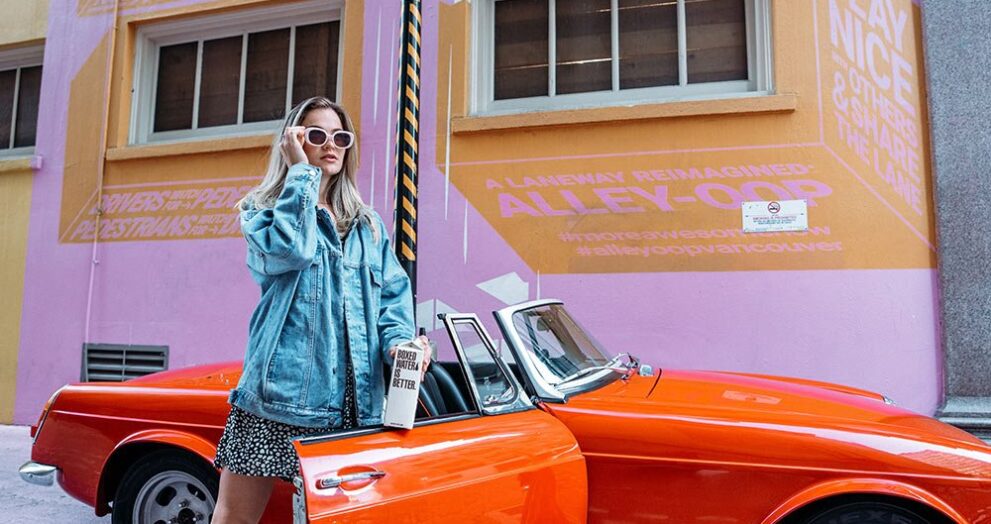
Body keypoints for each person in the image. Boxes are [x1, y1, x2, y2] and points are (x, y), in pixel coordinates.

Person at [212, 96, 430, 524]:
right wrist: (300, 173)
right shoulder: (262, 211)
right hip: (279, 397)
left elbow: (392, 296)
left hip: (356, 401)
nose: (330, 144)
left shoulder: (367, 225)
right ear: (293, 140)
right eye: (316, 135)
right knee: (236, 515)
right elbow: (290, 250)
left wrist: (400, 343)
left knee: (333, 518)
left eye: (340, 137)